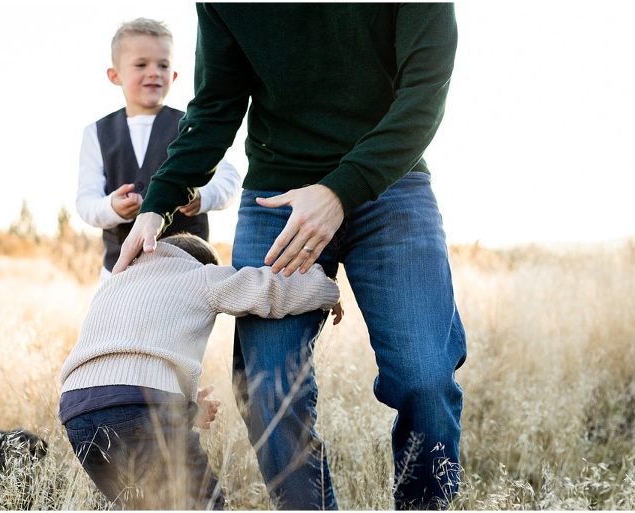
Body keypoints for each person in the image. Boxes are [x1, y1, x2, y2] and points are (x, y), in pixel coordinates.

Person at [111, 4, 466, 510]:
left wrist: (340, 191)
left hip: (390, 185)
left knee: (425, 380)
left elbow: (424, 94)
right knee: (267, 392)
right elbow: (216, 105)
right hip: (278, 195)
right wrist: (156, 206)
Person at [59, 233, 342, 509]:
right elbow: (265, 290)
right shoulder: (199, 274)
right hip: (139, 405)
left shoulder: (115, 284)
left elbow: (126, 361)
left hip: (76, 414)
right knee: (202, 504)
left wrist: (188, 408)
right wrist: (325, 289)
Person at [76, 18, 241, 279]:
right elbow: (86, 202)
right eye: (141, 64)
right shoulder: (96, 133)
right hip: (119, 272)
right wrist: (112, 208)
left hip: (185, 271)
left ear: (173, 75)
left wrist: (202, 196)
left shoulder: (193, 126)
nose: (153, 72)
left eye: (163, 65)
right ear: (115, 75)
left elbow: (229, 180)